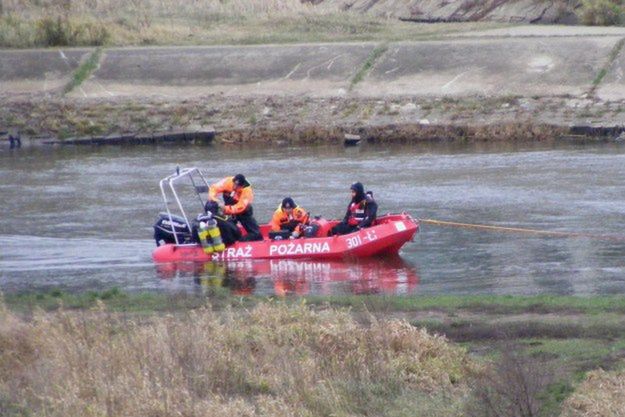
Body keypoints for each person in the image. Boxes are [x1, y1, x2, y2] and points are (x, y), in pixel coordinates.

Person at [207, 174, 262, 241]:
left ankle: (243, 241)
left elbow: (240, 207)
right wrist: (215, 200)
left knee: (256, 234)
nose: (235, 187)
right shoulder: (227, 181)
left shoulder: (247, 190)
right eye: (234, 184)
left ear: (242, 186)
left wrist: (225, 209)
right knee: (228, 230)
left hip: (243, 212)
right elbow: (213, 188)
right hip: (229, 211)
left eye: (238, 186)